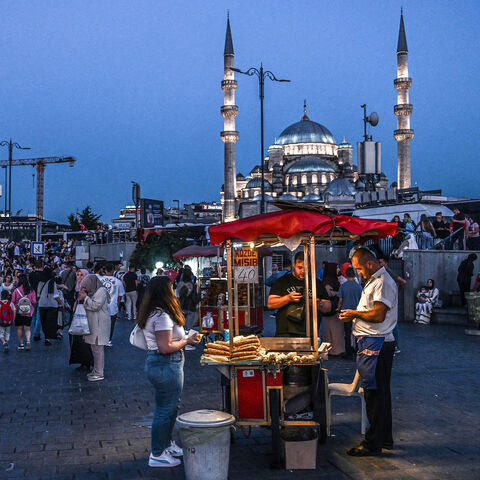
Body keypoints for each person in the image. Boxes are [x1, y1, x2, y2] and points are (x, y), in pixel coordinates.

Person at [137, 276, 200, 468]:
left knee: (171, 406)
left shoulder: (156, 312)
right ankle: (157, 453)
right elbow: (165, 347)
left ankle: (166, 445)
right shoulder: (161, 315)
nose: (174, 290)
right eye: (171, 287)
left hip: (164, 364)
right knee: (165, 410)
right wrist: (187, 341)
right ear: (166, 291)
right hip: (165, 363)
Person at [339, 248, 397, 456]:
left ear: (370, 265)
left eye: (360, 268)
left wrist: (354, 313)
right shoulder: (374, 280)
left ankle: (373, 443)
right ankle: (384, 438)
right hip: (372, 342)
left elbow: (378, 315)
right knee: (380, 393)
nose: (359, 272)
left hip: (377, 344)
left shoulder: (382, 282)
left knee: (374, 394)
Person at [267, 252, 331, 337]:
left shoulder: (316, 283)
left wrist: (318, 304)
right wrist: (288, 298)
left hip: (309, 333)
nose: (303, 271)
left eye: (306, 268)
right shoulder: (282, 281)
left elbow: (328, 307)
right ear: (294, 265)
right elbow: (270, 303)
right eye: (300, 268)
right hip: (285, 332)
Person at [78, 274, 110, 381]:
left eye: (85, 286)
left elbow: (96, 306)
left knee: (98, 349)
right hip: (95, 323)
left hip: (99, 324)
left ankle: (99, 373)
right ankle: (96, 370)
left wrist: (85, 298)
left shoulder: (101, 291)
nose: (85, 289)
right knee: (95, 348)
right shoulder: (95, 291)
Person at [378, 256, 406, 353]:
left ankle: (395, 346)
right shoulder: (383, 273)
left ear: (386, 263)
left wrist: (396, 293)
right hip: (388, 298)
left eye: (381, 262)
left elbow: (403, 281)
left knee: (393, 323)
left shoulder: (388, 272)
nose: (380, 264)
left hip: (389, 300)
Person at [69, 269, 94, 371]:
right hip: (77, 317)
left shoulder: (89, 290)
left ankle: (87, 362)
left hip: (85, 318)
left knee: (85, 341)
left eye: (82, 275)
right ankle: (82, 361)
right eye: (78, 275)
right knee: (77, 340)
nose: (79, 277)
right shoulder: (76, 288)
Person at [337, 267, 363, 358]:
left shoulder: (343, 286)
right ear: (354, 275)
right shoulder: (359, 286)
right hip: (356, 312)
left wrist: (338, 309)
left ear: (346, 275)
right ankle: (357, 350)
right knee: (356, 333)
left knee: (347, 333)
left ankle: (348, 352)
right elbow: (361, 300)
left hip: (345, 312)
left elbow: (340, 300)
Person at [37, 267, 67, 346]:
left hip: (42, 304)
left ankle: (46, 336)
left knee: (43, 322)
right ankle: (48, 338)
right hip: (52, 305)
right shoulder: (52, 282)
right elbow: (55, 296)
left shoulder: (40, 282)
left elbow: (38, 294)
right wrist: (61, 303)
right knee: (49, 322)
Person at [321, 263, 344, 356]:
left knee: (332, 331)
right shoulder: (329, 280)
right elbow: (329, 292)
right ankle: (333, 350)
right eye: (337, 267)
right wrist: (338, 293)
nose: (338, 269)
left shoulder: (331, 279)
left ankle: (333, 350)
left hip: (331, 308)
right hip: (331, 308)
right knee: (333, 331)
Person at [100, 264, 125, 347]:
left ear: (105, 270)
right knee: (111, 324)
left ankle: (100, 338)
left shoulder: (99, 280)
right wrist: (117, 304)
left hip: (100, 305)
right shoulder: (118, 281)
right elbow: (120, 295)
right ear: (113, 271)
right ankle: (108, 340)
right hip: (112, 305)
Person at [175, 269, 199, 350]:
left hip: (181, 307)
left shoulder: (179, 284)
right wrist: (200, 297)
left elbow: (177, 296)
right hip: (190, 307)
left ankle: (181, 343)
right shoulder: (192, 285)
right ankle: (188, 345)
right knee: (189, 327)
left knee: (181, 326)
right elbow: (195, 298)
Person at [12, 274, 36, 351]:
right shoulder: (31, 290)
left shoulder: (16, 290)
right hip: (28, 312)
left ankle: (21, 344)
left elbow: (13, 302)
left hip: (19, 311)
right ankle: (28, 341)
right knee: (27, 328)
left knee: (19, 328)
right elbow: (34, 301)